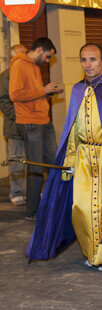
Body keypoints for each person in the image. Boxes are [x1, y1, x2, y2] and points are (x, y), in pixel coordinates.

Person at [27, 43, 102, 271]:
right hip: (84, 157)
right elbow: (72, 130)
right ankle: (92, 251)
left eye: (93, 59)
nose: (88, 64)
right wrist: (69, 161)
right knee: (81, 208)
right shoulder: (76, 90)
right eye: (83, 59)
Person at [9, 37, 62, 220]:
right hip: (30, 123)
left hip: (43, 121)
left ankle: (52, 204)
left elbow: (34, 94)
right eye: (48, 56)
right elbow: (15, 94)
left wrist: (49, 92)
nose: (48, 61)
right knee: (36, 169)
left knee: (55, 165)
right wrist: (43, 90)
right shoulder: (19, 64)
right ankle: (33, 213)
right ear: (40, 50)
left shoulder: (35, 66)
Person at [0, 44, 28, 206]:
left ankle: (29, 191)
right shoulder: (7, 76)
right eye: (22, 53)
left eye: (26, 53)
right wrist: (18, 117)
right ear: (13, 58)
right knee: (17, 159)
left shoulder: (28, 74)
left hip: (31, 125)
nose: (26, 56)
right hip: (15, 126)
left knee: (31, 159)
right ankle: (16, 192)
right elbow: (3, 101)